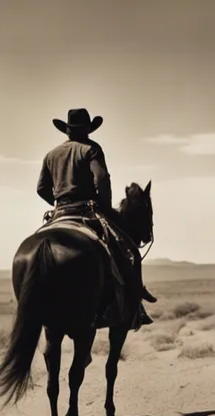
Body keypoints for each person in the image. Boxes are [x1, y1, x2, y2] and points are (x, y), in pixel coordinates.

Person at [36, 108, 157, 326]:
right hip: (87, 210)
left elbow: (41, 189)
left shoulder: (51, 155)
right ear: (87, 129)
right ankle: (135, 303)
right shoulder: (91, 149)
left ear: (66, 130)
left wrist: (58, 203)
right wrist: (105, 208)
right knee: (128, 251)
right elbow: (102, 179)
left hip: (60, 212)